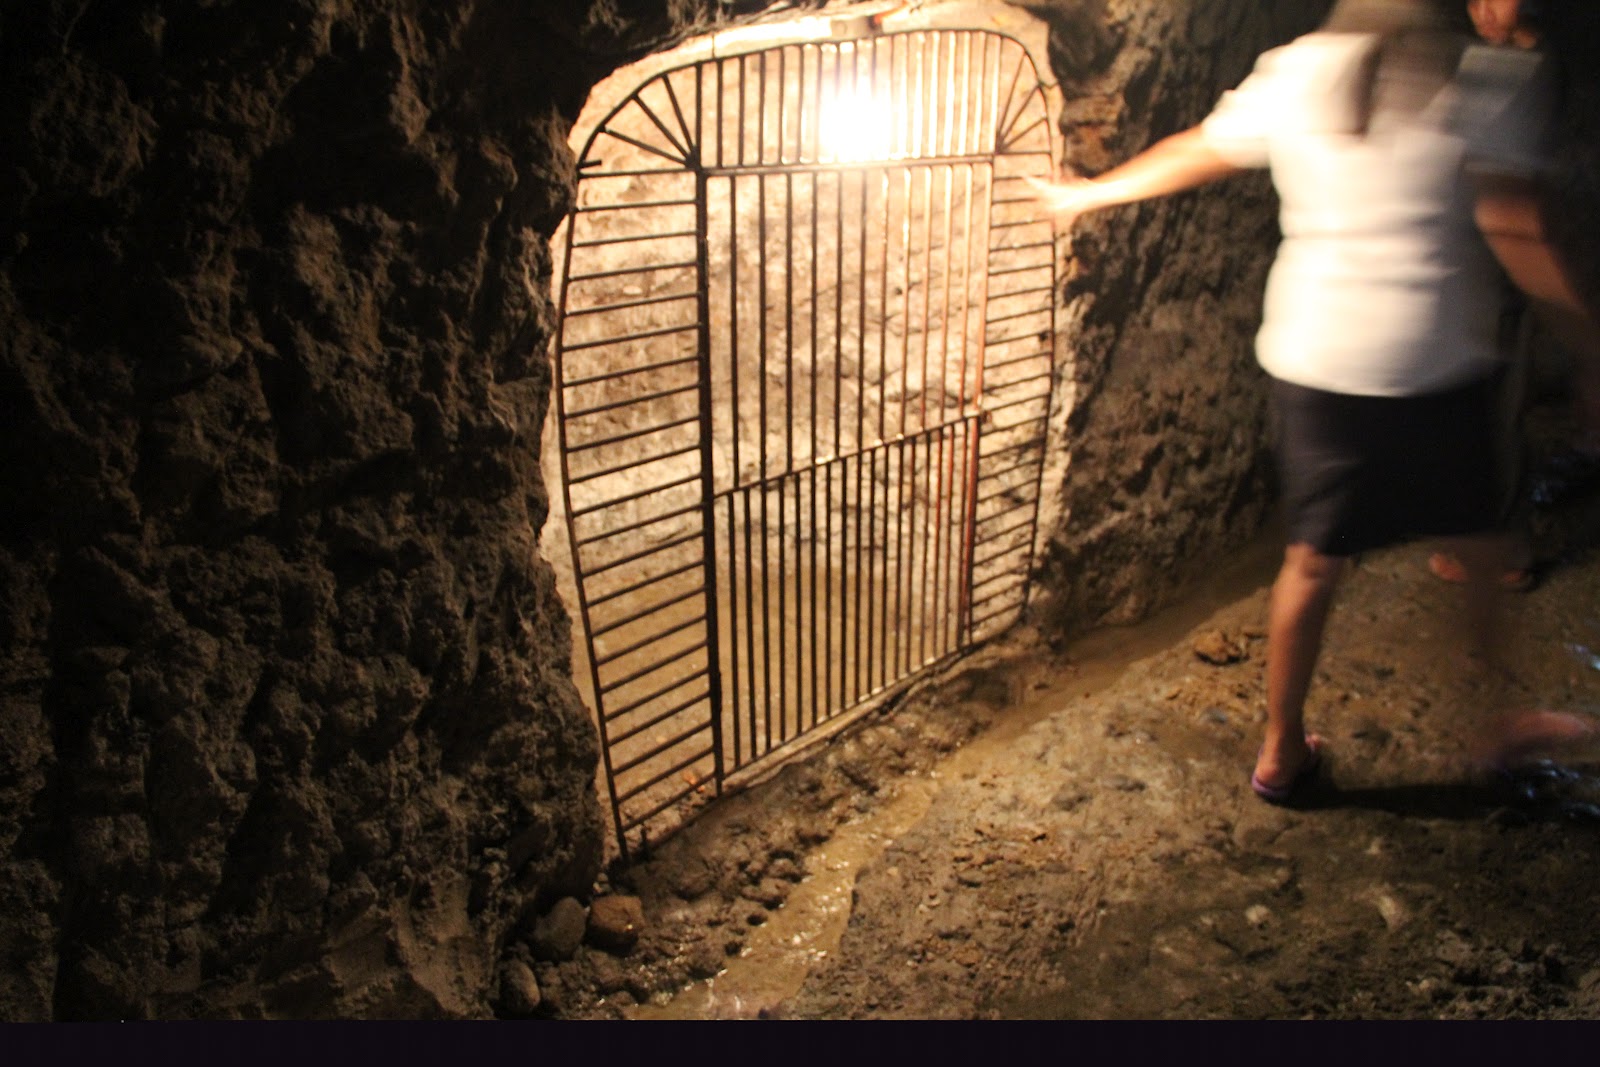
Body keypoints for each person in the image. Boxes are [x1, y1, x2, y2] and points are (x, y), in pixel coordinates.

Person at [1027, 0, 1600, 801]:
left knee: (1312, 558)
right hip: (1436, 354)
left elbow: (1199, 149)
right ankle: (1498, 725)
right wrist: (1582, 338)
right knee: (1479, 547)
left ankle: (1280, 748)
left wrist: (1091, 195)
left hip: (1318, 354)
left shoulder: (1297, 72)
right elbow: (1515, 225)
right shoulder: (1483, 80)